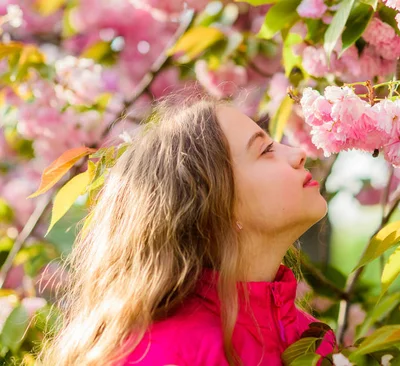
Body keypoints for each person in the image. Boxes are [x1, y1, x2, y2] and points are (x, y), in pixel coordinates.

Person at [38, 92, 335, 365]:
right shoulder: (159, 352)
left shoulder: (311, 337)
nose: (298, 154)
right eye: (266, 149)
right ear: (218, 203)